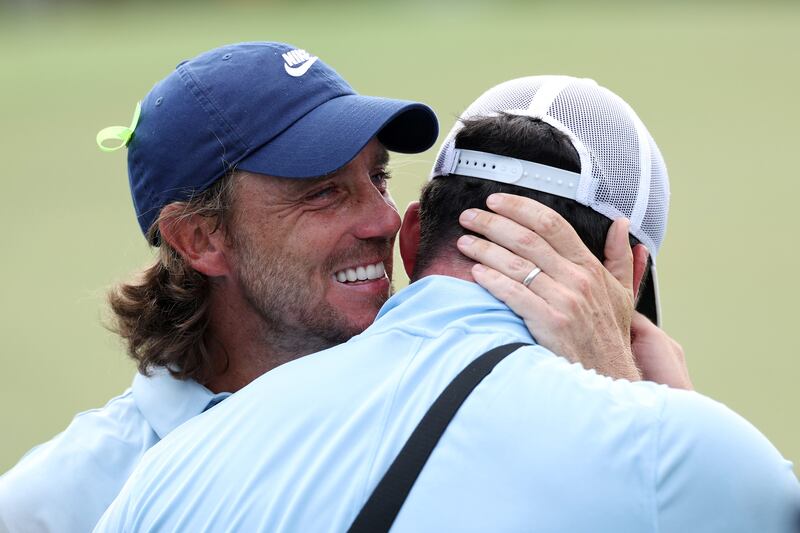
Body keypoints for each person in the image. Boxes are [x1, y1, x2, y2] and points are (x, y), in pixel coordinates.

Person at [94, 76, 798, 532]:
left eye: (377, 180)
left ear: (409, 238)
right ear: (630, 271)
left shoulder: (163, 475)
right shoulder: (691, 455)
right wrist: (653, 403)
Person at [0, 46, 643, 532]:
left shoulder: (476, 399)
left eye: (380, 177)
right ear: (199, 239)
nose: (386, 221)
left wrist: (621, 397)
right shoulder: (56, 502)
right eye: (324, 192)